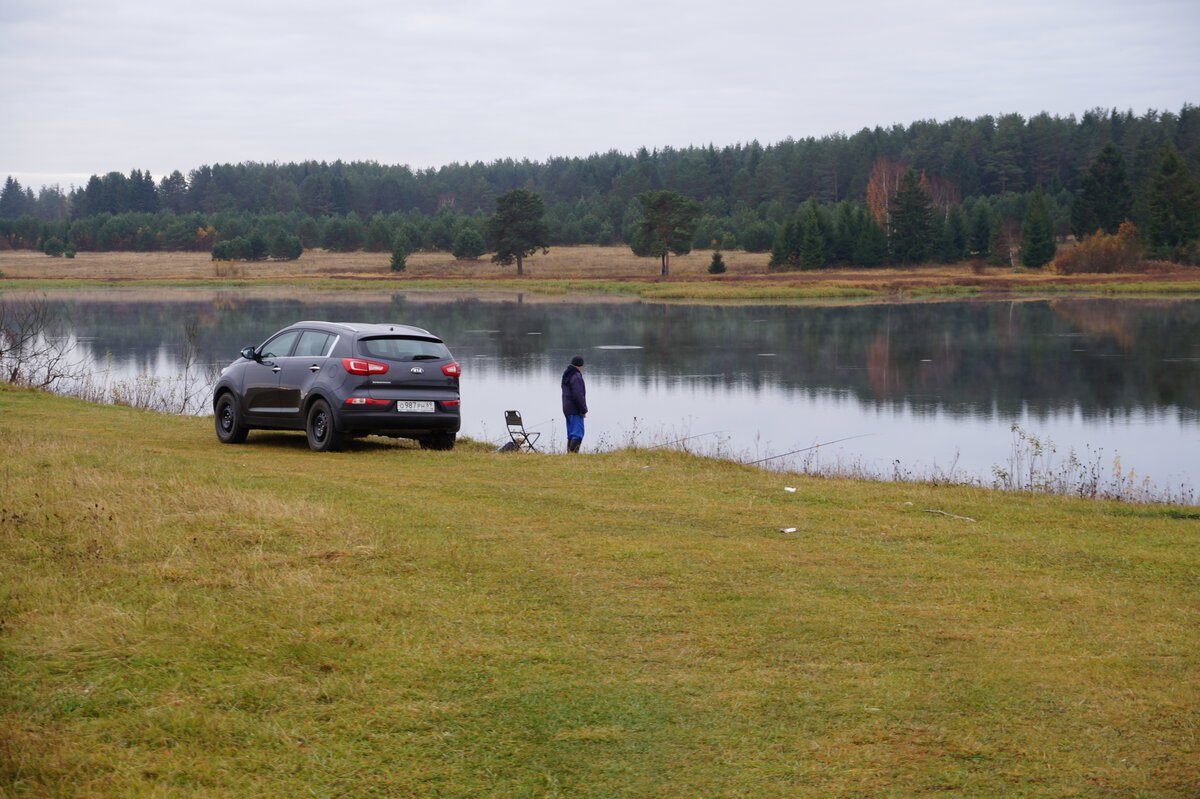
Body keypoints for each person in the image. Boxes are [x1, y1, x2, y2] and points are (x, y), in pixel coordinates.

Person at [561, 355, 587, 453]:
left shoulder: (567, 374)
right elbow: (578, 395)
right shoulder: (576, 376)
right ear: (580, 366)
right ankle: (573, 456)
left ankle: (569, 455)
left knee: (571, 434)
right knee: (577, 434)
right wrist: (583, 410)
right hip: (575, 409)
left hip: (567, 408)